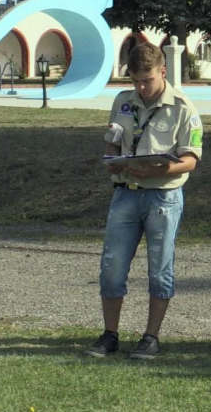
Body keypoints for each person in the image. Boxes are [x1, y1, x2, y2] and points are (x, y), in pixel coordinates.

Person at [84, 42, 203, 359]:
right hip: (125, 194)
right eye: (135, 80)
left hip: (163, 197)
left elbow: (190, 160)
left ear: (162, 72)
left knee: (159, 269)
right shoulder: (123, 102)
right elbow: (111, 144)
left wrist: (158, 169)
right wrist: (115, 159)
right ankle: (110, 334)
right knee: (112, 267)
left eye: (146, 80)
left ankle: (151, 336)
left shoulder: (182, 107)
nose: (140, 87)